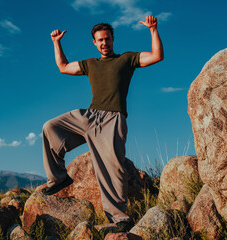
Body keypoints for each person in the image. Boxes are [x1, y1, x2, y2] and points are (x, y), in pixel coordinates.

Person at [42, 16, 163, 231]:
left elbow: (156, 56)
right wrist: (56, 43)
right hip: (89, 116)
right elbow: (62, 67)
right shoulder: (91, 64)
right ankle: (58, 178)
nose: (104, 43)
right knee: (50, 127)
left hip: (113, 120)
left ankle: (119, 219)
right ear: (94, 43)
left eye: (107, 39)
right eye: (99, 40)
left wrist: (153, 30)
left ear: (113, 39)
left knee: (112, 168)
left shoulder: (126, 59)